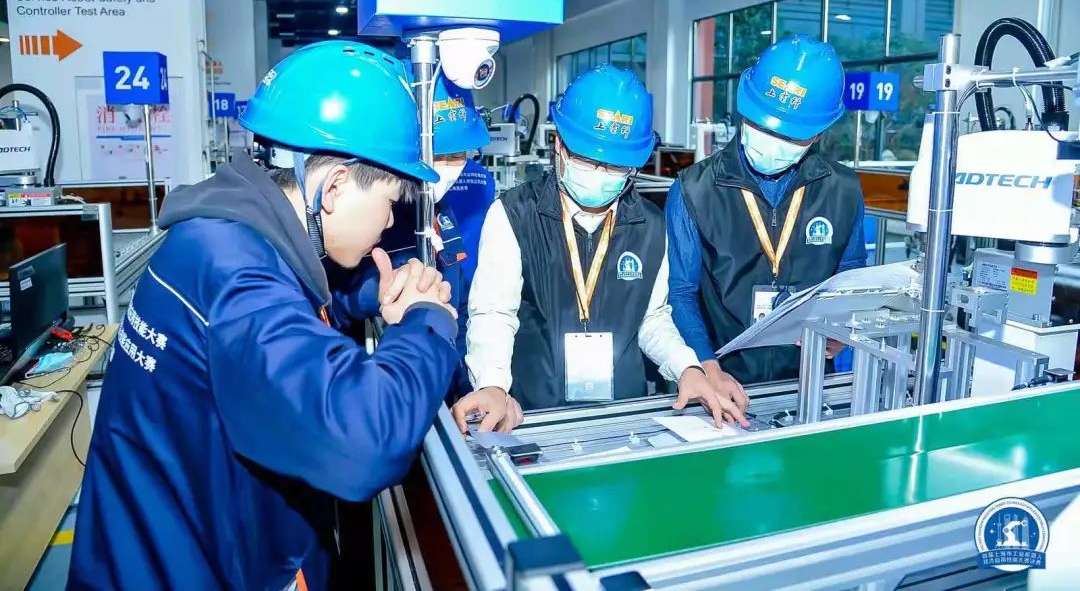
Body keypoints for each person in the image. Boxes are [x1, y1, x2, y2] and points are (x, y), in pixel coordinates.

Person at [69, 41, 461, 591]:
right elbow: (364, 439)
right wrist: (427, 323)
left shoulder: (220, 233)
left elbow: (286, 309)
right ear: (335, 186)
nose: (390, 220)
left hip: (162, 546)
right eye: (390, 201)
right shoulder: (238, 277)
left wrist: (371, 295)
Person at [452, 65, 749, 433]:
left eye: (616, 166)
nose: (601, 173)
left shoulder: (650, 225)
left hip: (624, 414)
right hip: (534, 414)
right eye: (589, 160)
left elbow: (652, 318)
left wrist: (686, 367)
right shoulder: (514, 214)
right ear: (559, 146)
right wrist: (492, 383)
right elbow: (495, 312)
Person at [666, 34, 867, 393]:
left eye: (791, 137)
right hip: (722, 376)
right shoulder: (694, 189)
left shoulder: (843, 190)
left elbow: (849, 273)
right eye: (761, 124)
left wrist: (842, 326)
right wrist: (705, 364)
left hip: (810, 378)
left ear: (819, 133)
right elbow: (681, 292)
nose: (773, 142)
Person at [331, 72, 495, 395]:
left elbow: (457, 305)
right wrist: (380, 292)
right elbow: (335, 300)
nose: (443, 167)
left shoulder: (440, 211)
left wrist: (468, 387)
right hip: (385, 382)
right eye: (436, 155)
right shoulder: (372, 215)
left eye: (456, 156)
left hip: (440, 375)